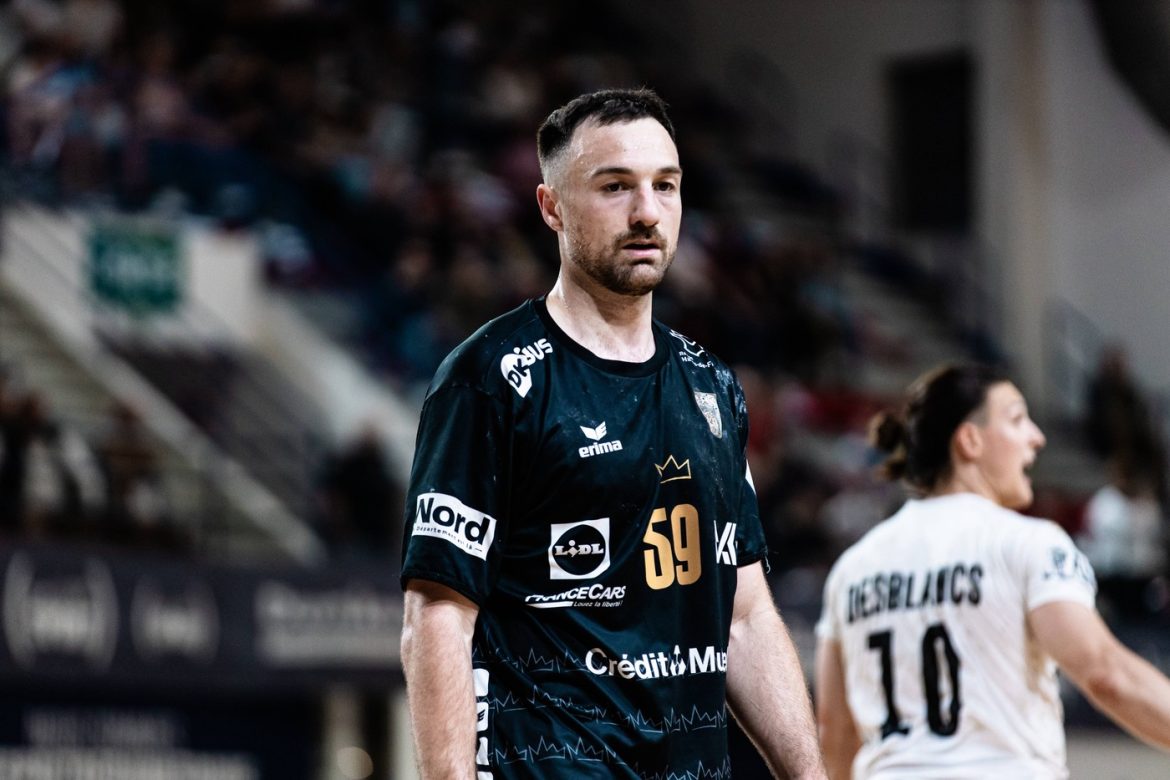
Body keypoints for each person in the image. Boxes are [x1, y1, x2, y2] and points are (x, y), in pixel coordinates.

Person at [399, 88, 826, 779]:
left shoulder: (711, 386)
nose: (647, 212)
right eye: (615, 186)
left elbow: (745, 617)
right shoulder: (489, 379)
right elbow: (437, 616)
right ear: (551, 207)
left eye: (666, 185)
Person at [814, 363, 1170, 779]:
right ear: (970, 440)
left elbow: (835, 733)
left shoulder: (852, 568)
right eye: (1017, 420)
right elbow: (1106, 673)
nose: (1036, 437)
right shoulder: (1027, 543)